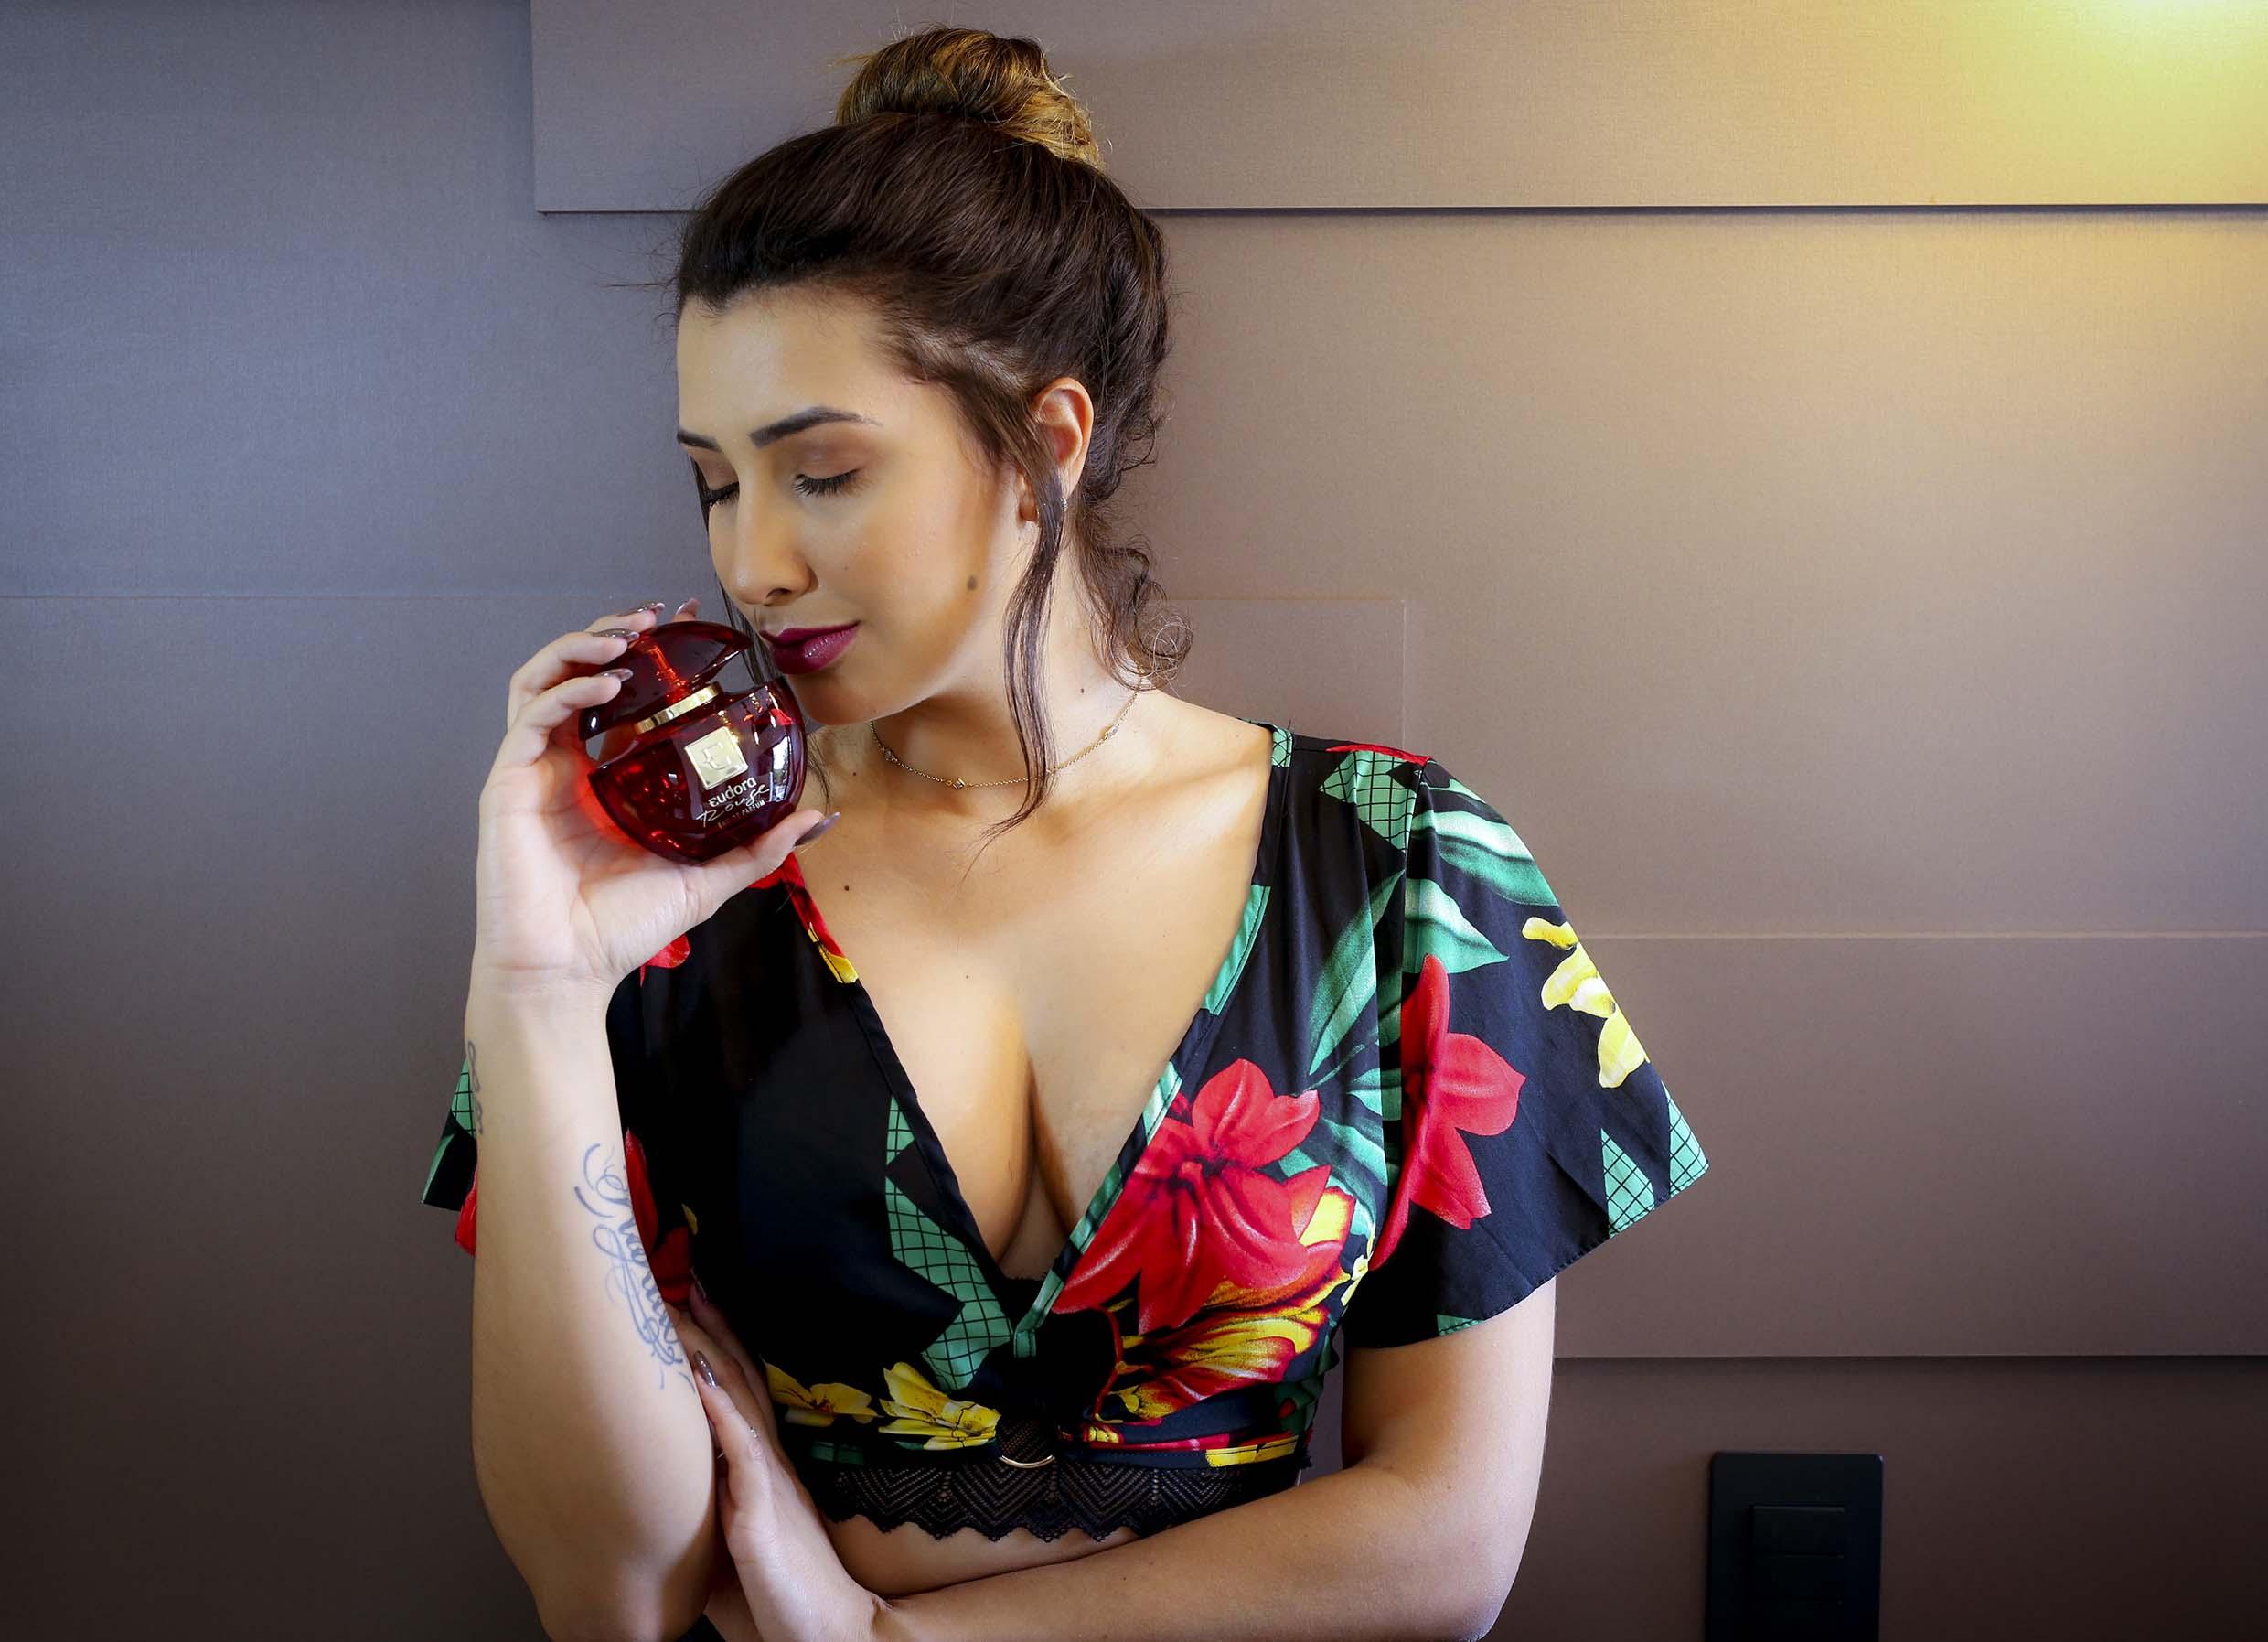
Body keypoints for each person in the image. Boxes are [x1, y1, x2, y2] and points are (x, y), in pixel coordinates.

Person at [418, 25, 1711, 1642]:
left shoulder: (1402, 868)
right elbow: (605, 1589)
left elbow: (1447, 1545)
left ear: (1047, 443)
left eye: (823, 471)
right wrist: (538, 990)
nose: (751, 567)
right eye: (716, 483)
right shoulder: (676, 904)